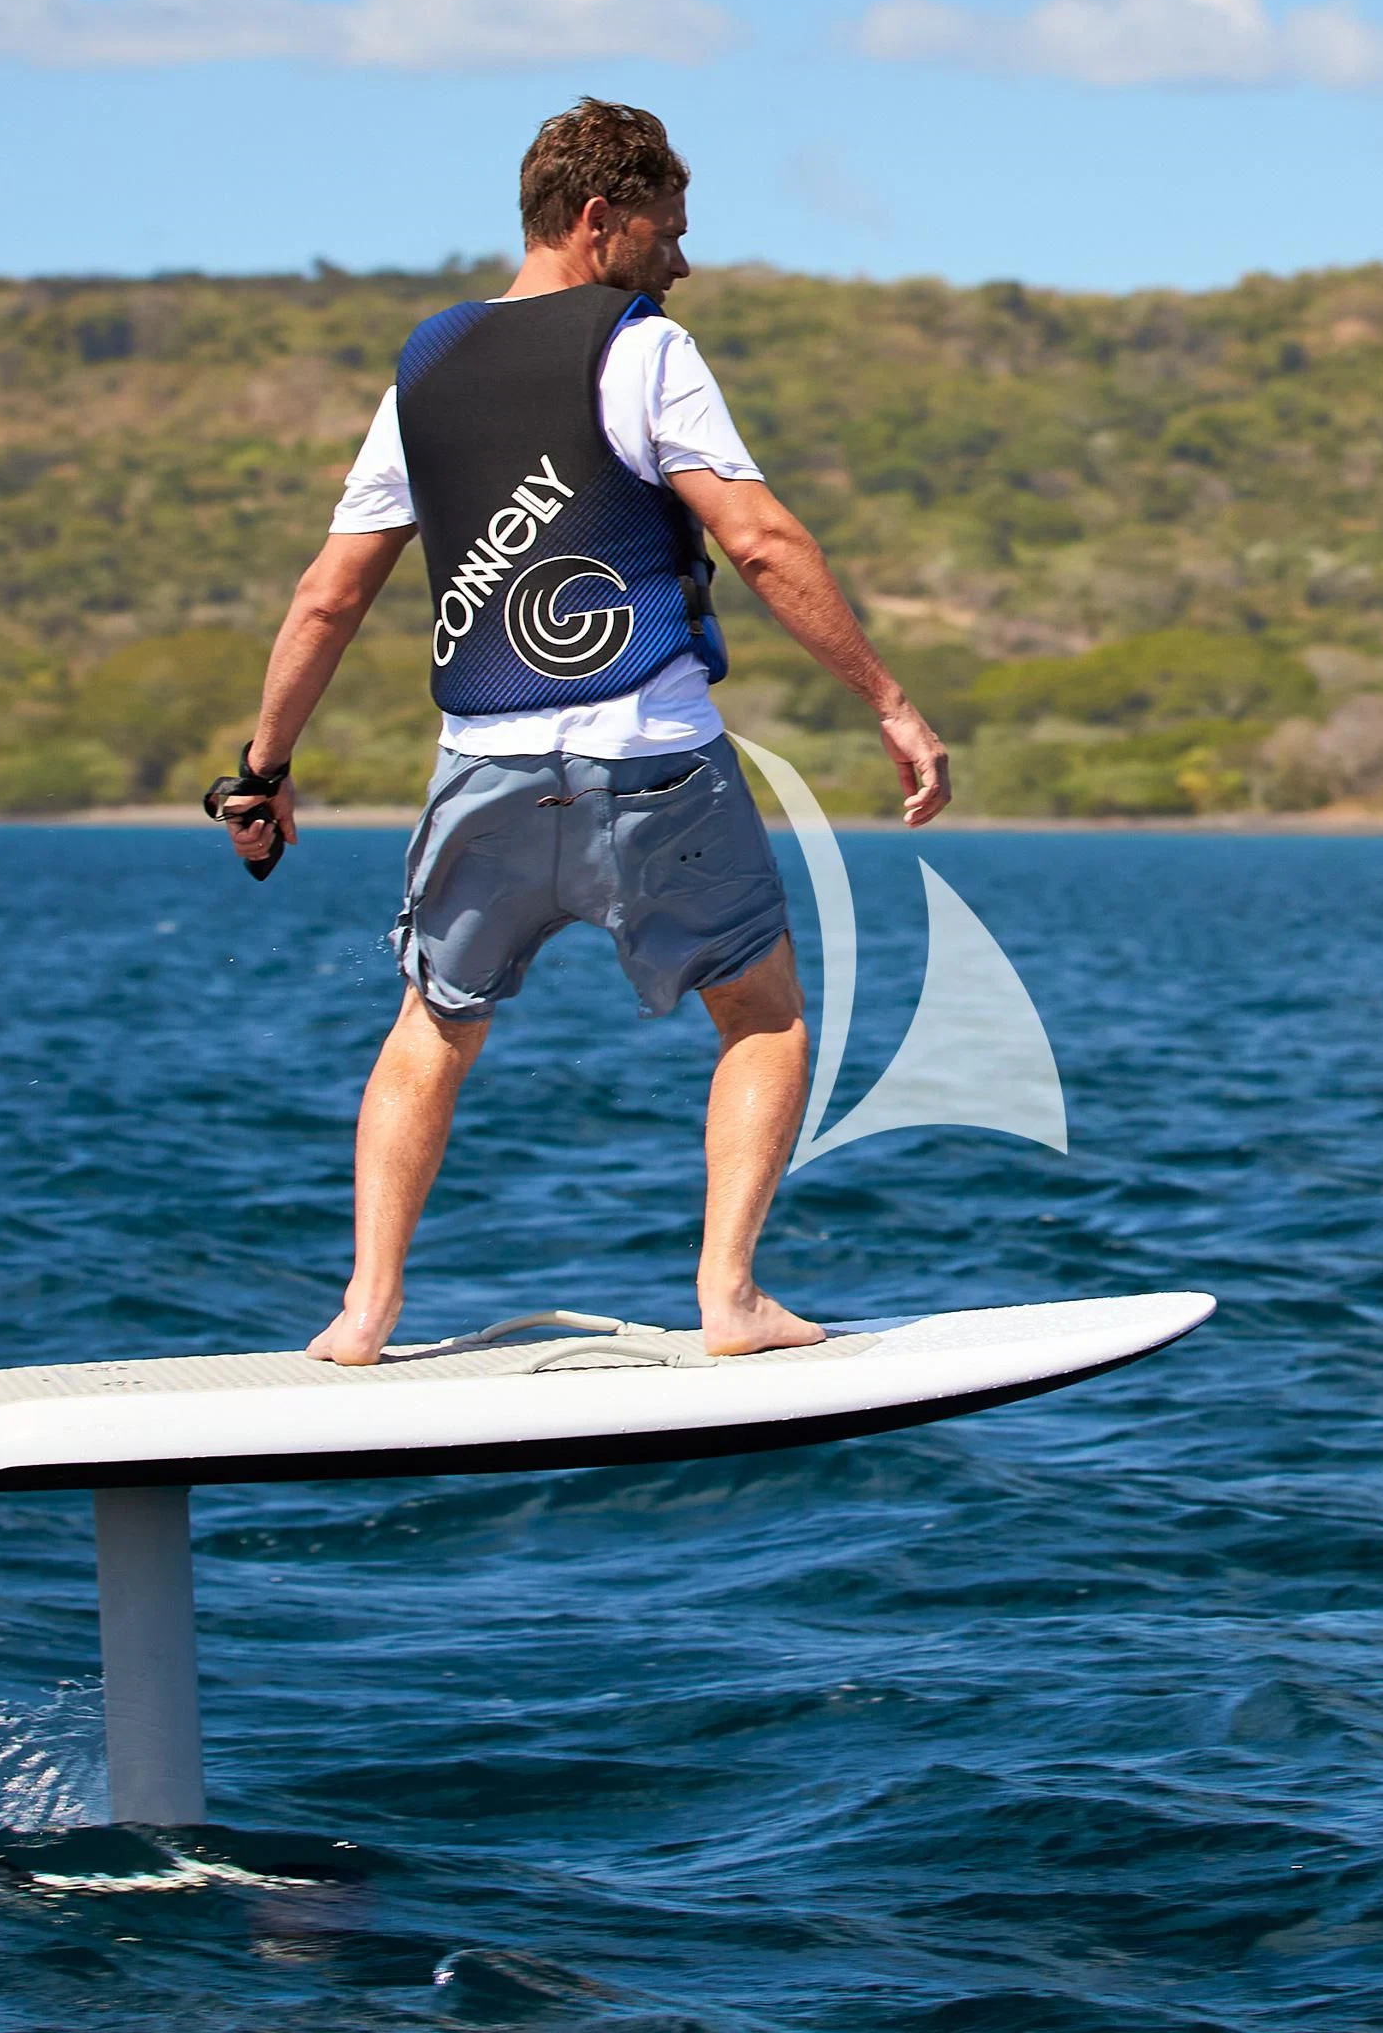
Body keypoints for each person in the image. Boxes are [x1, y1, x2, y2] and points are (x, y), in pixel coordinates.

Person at [221, 99, 952, 1367]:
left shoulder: (423, 371)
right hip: (652, 764)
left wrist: (261, 769)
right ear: (600, 220)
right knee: (764, 1016)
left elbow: (329, 594)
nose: (684, 261)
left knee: (431, 1028)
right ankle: (730, 1298)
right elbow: (760, 540)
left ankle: (364, 1315)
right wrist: (889, 700)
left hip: (484, 770)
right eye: (670, 230)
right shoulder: (643, 349)